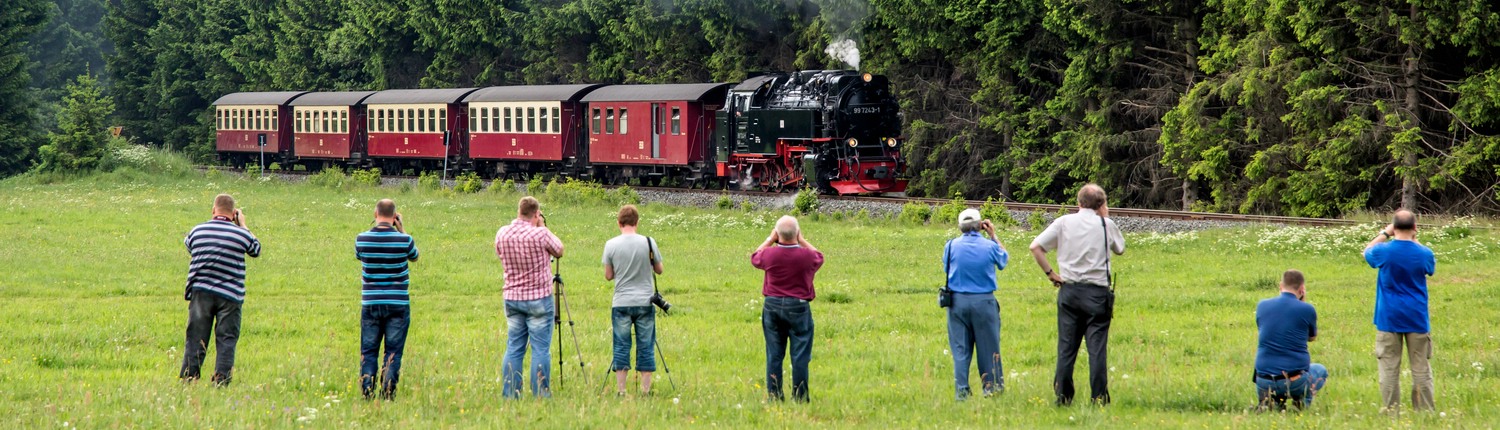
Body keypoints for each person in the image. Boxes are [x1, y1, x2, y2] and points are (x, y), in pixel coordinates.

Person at [1028, 183, 1125, 406]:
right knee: (1097, 349)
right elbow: (1120, 249)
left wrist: (1051, 273)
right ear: (1102, 204)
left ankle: (1063, 396)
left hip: (1069, 291)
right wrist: (1105, 216)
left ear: (1078, 202)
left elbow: (1036, 247)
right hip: (1097, 293)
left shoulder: (1063, 223)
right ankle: (1099, 397)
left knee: (1067, 347)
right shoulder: (1105, 224)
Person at [179, 193, 262, 386]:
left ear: (213, 211)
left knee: (195, 337)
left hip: (200, 292)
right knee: (226, 339)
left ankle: (189, 378)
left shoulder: (197, 231)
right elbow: (255, 250)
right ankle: (221, 380)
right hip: (230, 295)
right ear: (234, 213)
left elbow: (190, 247)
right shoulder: (241, 234)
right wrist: (243, 225)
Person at [1363, 209, 1437, 412]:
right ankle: (1424, 411)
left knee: (1389, 368)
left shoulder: (1383, 251)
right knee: (1421, 368)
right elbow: (1429, 266)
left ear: (1394, 228)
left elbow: (1367, 251)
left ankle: (1391, 411)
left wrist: (1384, 234)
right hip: (1417, 317)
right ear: (1415, 228)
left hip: (1389, 317)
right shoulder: (1424, 253)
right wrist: (1415, 239)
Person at [494, 196, 564, 398]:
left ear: (519, 212)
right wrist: (542, 226)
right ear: (536, 214)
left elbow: (499, 254)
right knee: (541, 348)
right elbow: (559, 250)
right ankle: (541, 394)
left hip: (513, 297)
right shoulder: (540, 234)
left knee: (514, 346)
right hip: (539, 298)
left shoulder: (502, 233)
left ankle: (510, 393)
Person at [751, 215, 824, 402]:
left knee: (774, 353)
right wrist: (802, 240)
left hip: (772, 305)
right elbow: (819, 256)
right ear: (797, 233)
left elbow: (755, 257)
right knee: (800, 354)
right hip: (799, 306)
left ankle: (775, 396)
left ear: (777, 235)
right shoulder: (807, 256)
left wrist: (769, 239)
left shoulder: (769, 254)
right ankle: (800, 397)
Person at [355, 199, 419, 400]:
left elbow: (359, 256)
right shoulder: (404, 240)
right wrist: (402, 230)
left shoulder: (362, 239)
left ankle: (367, 391)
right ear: (394, 217)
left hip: (371, 303)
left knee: (369, 349)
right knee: (393, 351)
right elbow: (414, 256)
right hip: (398, 304)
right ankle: (388, 393)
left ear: (375, 214)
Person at [944, 208, 1010, 400]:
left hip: (957, 302)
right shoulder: (989, 246)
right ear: (981, 225)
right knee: (989, 346)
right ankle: (992, 387)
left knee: (960, 349)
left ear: (960, 227)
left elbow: (946, 266)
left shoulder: (950, 246)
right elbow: (1003, 261)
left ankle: (962, 392)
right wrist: (993, 235)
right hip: (984, 301)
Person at [601, 205, 664, 396]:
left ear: (619, 223)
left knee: (621, 344)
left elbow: (609, 275)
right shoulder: (648, 242)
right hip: (645, 301)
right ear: (637, 222)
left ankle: (621, 390)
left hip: (621, 302)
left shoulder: (610, 244)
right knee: (646, 344)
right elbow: (659, 270)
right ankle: (645, 391)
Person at [1254, 269, 1329, 410]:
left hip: (1263, 381)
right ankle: (1300, 406)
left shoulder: (1262, 305)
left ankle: (1273, 404)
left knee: (1273, 392)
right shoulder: (1307, 309)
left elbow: (1264, 329)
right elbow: (1312, 337)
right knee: (1320, 370)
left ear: (1280, 286)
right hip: (1295, 381)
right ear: (1302, 289)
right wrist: (1303, 302)